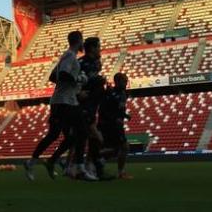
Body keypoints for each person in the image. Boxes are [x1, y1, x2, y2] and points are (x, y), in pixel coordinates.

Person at [25, 31, 96, 181]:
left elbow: (53, 76)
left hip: (64, 100)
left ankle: (36, 162)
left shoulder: (67, 56)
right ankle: (80, 168)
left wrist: (69, 86)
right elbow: (63, 74)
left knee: (61, 136)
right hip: (64, 102)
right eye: (82, 41)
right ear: (79, 41)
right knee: (82, 131)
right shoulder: (70, 56)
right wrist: (78, 80)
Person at [78, 37, 108, 178]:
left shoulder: (96, 63)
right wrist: (79, 92)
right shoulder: (80, 63)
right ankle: (88, 166)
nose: (100, 49)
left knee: (90, 137)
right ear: (91, 49)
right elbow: (71, 82)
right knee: (96, 138)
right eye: (98, 47)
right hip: (83, 106)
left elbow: (93, 79)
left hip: (93, 106)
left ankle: (86, 166)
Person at [99, 73, 132, 180]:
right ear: (118, 81)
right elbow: (104, 110)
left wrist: (125, 115)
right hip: (111, 125)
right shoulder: (110, 93)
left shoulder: (122, 93)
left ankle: (97, 162)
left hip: (116, 124)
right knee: (123, 147)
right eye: (124, 81)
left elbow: (118, 109)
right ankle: (95, 159)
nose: (126, 83)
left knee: (115, 149)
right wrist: (115, 118)